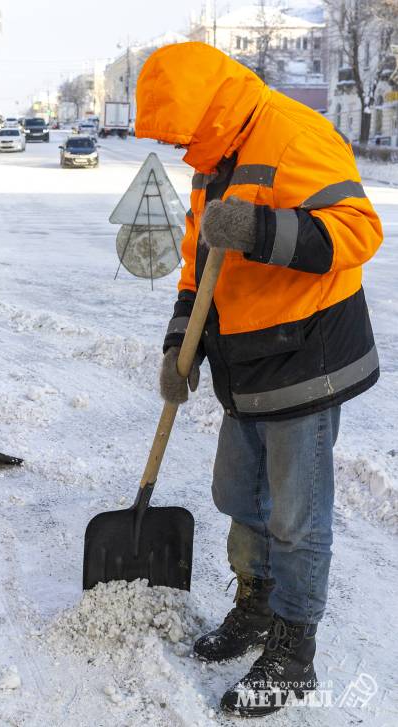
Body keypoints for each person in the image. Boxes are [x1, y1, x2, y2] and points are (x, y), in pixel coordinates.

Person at [135, 42, 382, 717]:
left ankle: (293, 651)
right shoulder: (213, 159)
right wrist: (176, 344)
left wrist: (256, 227)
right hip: (242, 360)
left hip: (306, 356)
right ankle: (255, 603)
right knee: (236, 493)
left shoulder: (293, 133)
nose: (180, 146)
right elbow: (197, 263)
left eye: (181, 129)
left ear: (205, 108)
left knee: (296, 517)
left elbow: (357, 232)